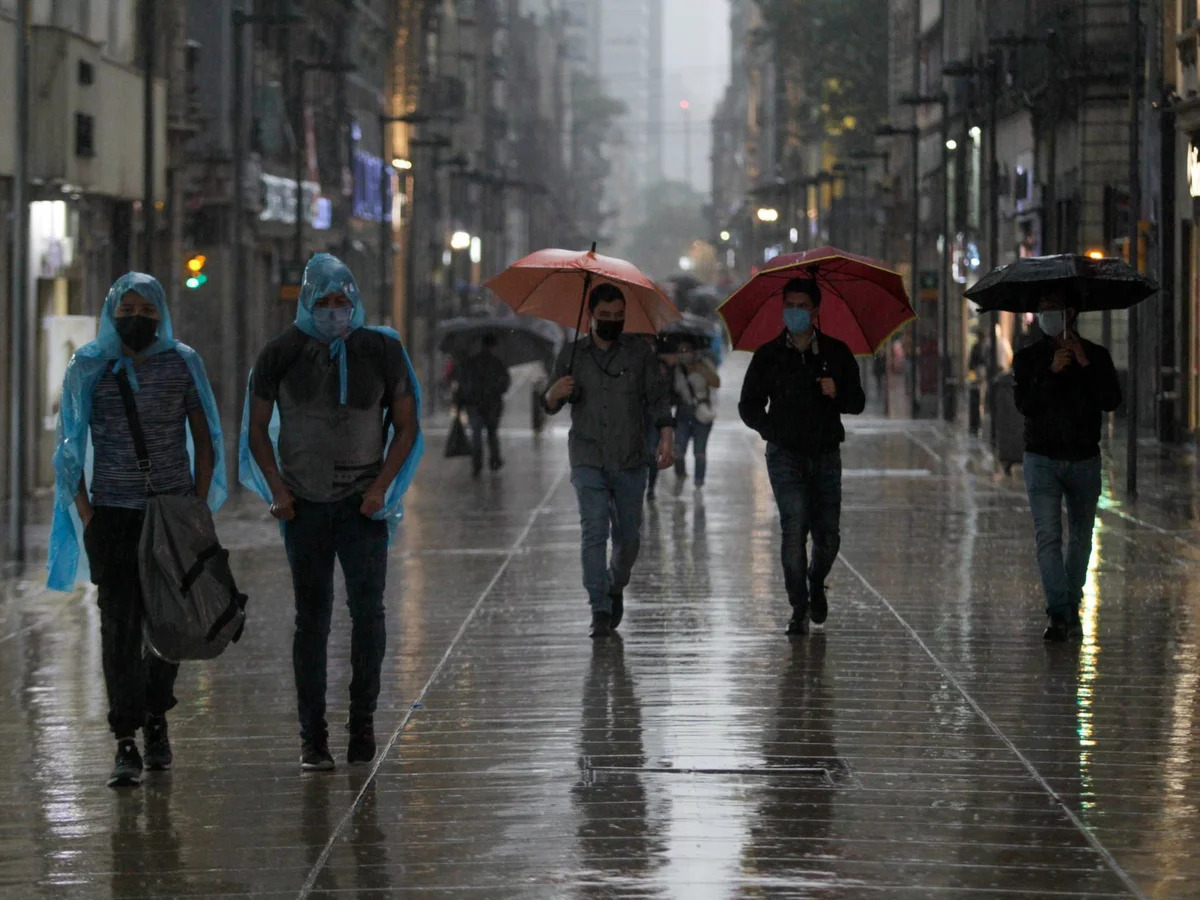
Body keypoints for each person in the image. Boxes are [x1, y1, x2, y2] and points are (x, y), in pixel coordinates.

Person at [243, 253, 422, 771]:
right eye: (323, 301)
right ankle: (312, 735)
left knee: (369, 614)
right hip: (304, 508)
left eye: (342, 300)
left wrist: (381, 489)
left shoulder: (381, 351)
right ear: (305, 302)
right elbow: (256, 429)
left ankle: (362, 719)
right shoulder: (280, 354)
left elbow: (406, 425)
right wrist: (277, 490)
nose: (334, 310)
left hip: (362, 507)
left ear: (356, 300)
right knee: (312, 621)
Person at [47, 272, 227, 788]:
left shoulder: (182, 363)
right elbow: (69, 448)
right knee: (119, 631)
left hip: (169, 516)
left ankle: (155, 714)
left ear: (162, 315)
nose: (137, 320)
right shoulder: (90, 367)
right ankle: (126, 738)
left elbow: (206, 435)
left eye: (148, 312)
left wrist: (197, 502)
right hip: (114, 517)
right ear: (111, 311)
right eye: (128, 310)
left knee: (172, 626)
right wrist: (88, 515)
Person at [543, 283, 675, 638]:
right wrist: (554, 394)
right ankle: (599, 607)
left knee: (628, 538)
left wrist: (666, 435)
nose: (612, 322)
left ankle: (615, 586)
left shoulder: (639, 353)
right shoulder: (572, 354)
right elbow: (551, 401)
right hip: (587, 457)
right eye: (605, 317)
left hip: (631, 458)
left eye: (619, 316)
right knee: (594, 530)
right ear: (591, 316)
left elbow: (658, 398)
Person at [738, 277, 866, 635]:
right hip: (785, 457)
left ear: (815, 310)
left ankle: (815, 579)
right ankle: (798, 607)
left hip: (825, 454)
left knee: (828, 537)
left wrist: (837, 391)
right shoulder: (768, 355)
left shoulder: (835, 353)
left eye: (802, 305)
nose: (795, 311)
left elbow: (857, 402)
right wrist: (770, 429)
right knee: (793, 530)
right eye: (789, 305)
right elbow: (748, 405)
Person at [1013, 291, 1121, 641]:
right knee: (1048, 537)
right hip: (1041, 459)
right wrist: (1051, 371)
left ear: (1070, 313)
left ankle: (1071, 604)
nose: (1046, 316)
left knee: (1081, 539)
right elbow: (1025, 404)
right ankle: (1059, 611)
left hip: (1084, 459)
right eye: (1041, 309)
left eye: (1052, 310)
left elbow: (1111, 399)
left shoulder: (1096, 356)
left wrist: (1084, 364)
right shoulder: (1029, 358)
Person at [452, 333, 512, 475]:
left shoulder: (471, 362)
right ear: (493, 346)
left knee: (476, 434)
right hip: (492, 405)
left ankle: (477, 463)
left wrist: (460, 402)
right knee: (492, 433)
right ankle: (494, 460)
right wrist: (495, 391)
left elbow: (464, 382)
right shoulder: (497, 363)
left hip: (474, 404)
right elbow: (505, 384)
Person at [665, 338, 721, 488]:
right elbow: (670, 390)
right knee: (678, 449)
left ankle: (698, 483)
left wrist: (698, 369)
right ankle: (680, 475)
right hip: (683, 412)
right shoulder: (676, 369)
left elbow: (716, 382)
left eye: (687, 350)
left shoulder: (704, 363)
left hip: (702, 412)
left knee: (699, 452)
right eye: (681, 351)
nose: (685, 354)